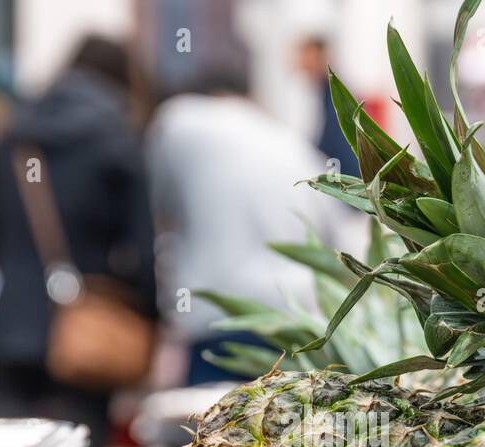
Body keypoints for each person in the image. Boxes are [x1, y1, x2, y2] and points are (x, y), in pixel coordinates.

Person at [0, 36, 157, 447]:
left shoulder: (12, 136)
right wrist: (144, 316)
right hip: (86, 333)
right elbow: (143, 251)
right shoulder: (117, 140)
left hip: (13, 329)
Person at [145, 37, 343, 384]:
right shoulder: (285, 138)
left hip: (219, 317)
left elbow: (154, 211)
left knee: (210, 430)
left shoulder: (178, 121)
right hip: (298, 320)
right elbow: (333, 230)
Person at [294, 35, 358, 177]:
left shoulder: (336, 94)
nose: (299, 59)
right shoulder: (320, 91)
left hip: (344, 177)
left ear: (317, 55)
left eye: (304, 53)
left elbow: (335, 144)